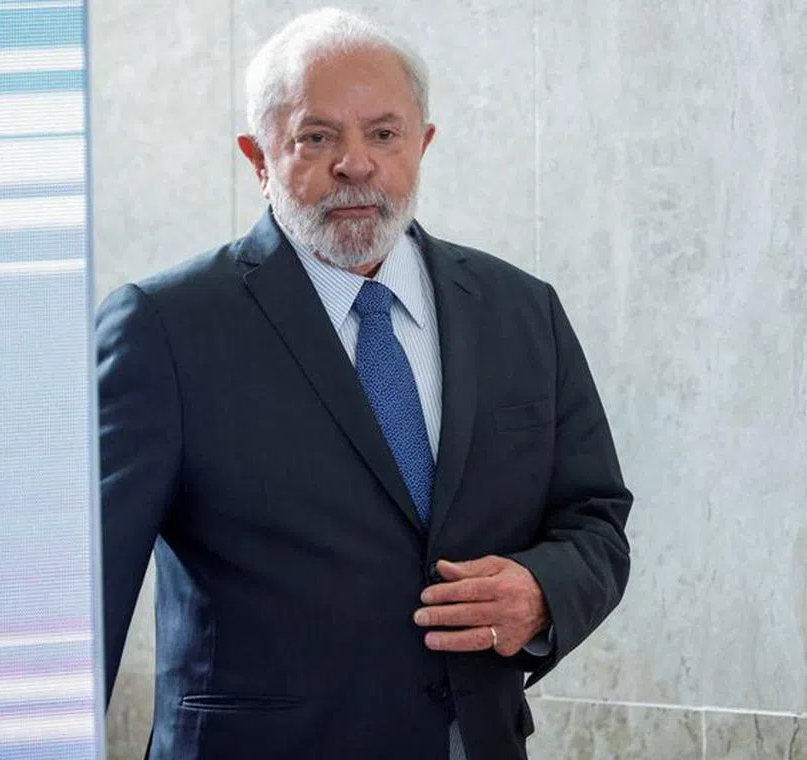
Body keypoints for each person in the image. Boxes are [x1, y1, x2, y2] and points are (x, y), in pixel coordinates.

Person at [96, 8, 632, 760]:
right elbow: (89, 595)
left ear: (423, 144)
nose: (356, 164)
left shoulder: (522, 311)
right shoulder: (163, 327)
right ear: (258, 157)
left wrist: (543, 593)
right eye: (316, 138)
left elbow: (595, 518)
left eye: (384, 134)